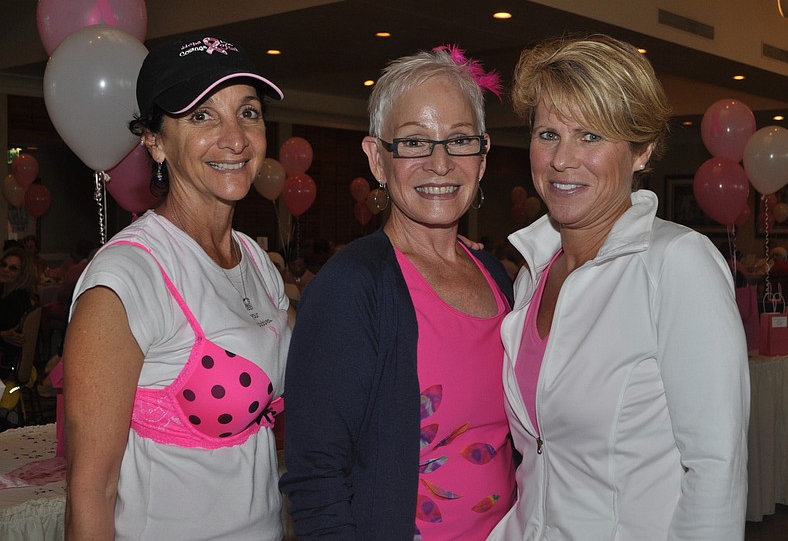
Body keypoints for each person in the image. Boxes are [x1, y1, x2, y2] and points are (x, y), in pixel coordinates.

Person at [488, 35, 750, 541]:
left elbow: (716, 468)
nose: (562, 159)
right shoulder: (533, 272)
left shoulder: (676, 265)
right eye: (548, 134)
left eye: (590, 136)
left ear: (641, 150)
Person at [280, 45, 516, 540]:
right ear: (377, 159)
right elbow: (317, 480)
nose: (440, 163)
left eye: (459, 140)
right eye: (413, 143)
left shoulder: (497, 276)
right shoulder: (351, 288)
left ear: (483, 155)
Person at [63, 33, 292, 540]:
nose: (235, 138)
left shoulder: (256, 260)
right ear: (155, 140)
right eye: (202, 116)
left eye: (248, 112)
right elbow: (90, 493)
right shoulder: (126, 279)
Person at [0, 247, 40, 379]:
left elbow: (9, 337)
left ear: (23, 274)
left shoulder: (17, 300)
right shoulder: (8, 294)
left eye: (13, 268)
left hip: (6, 369)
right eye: (3, 265)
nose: (5, 270)